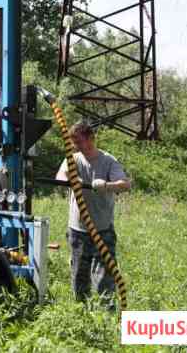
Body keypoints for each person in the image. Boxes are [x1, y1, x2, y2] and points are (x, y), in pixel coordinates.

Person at [55, 121, 131, 308]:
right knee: (79, 279)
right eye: (74, 143)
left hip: (103, 230)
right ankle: (81, 316)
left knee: (104, 279)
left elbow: (125, 184)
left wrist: (106, 186)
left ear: (91, 138)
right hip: (78, 231)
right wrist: (72, 179)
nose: (77, 146)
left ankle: (106, 318)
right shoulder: (73, 159)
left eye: (79, 141)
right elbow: (60, 177)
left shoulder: (108, 161)